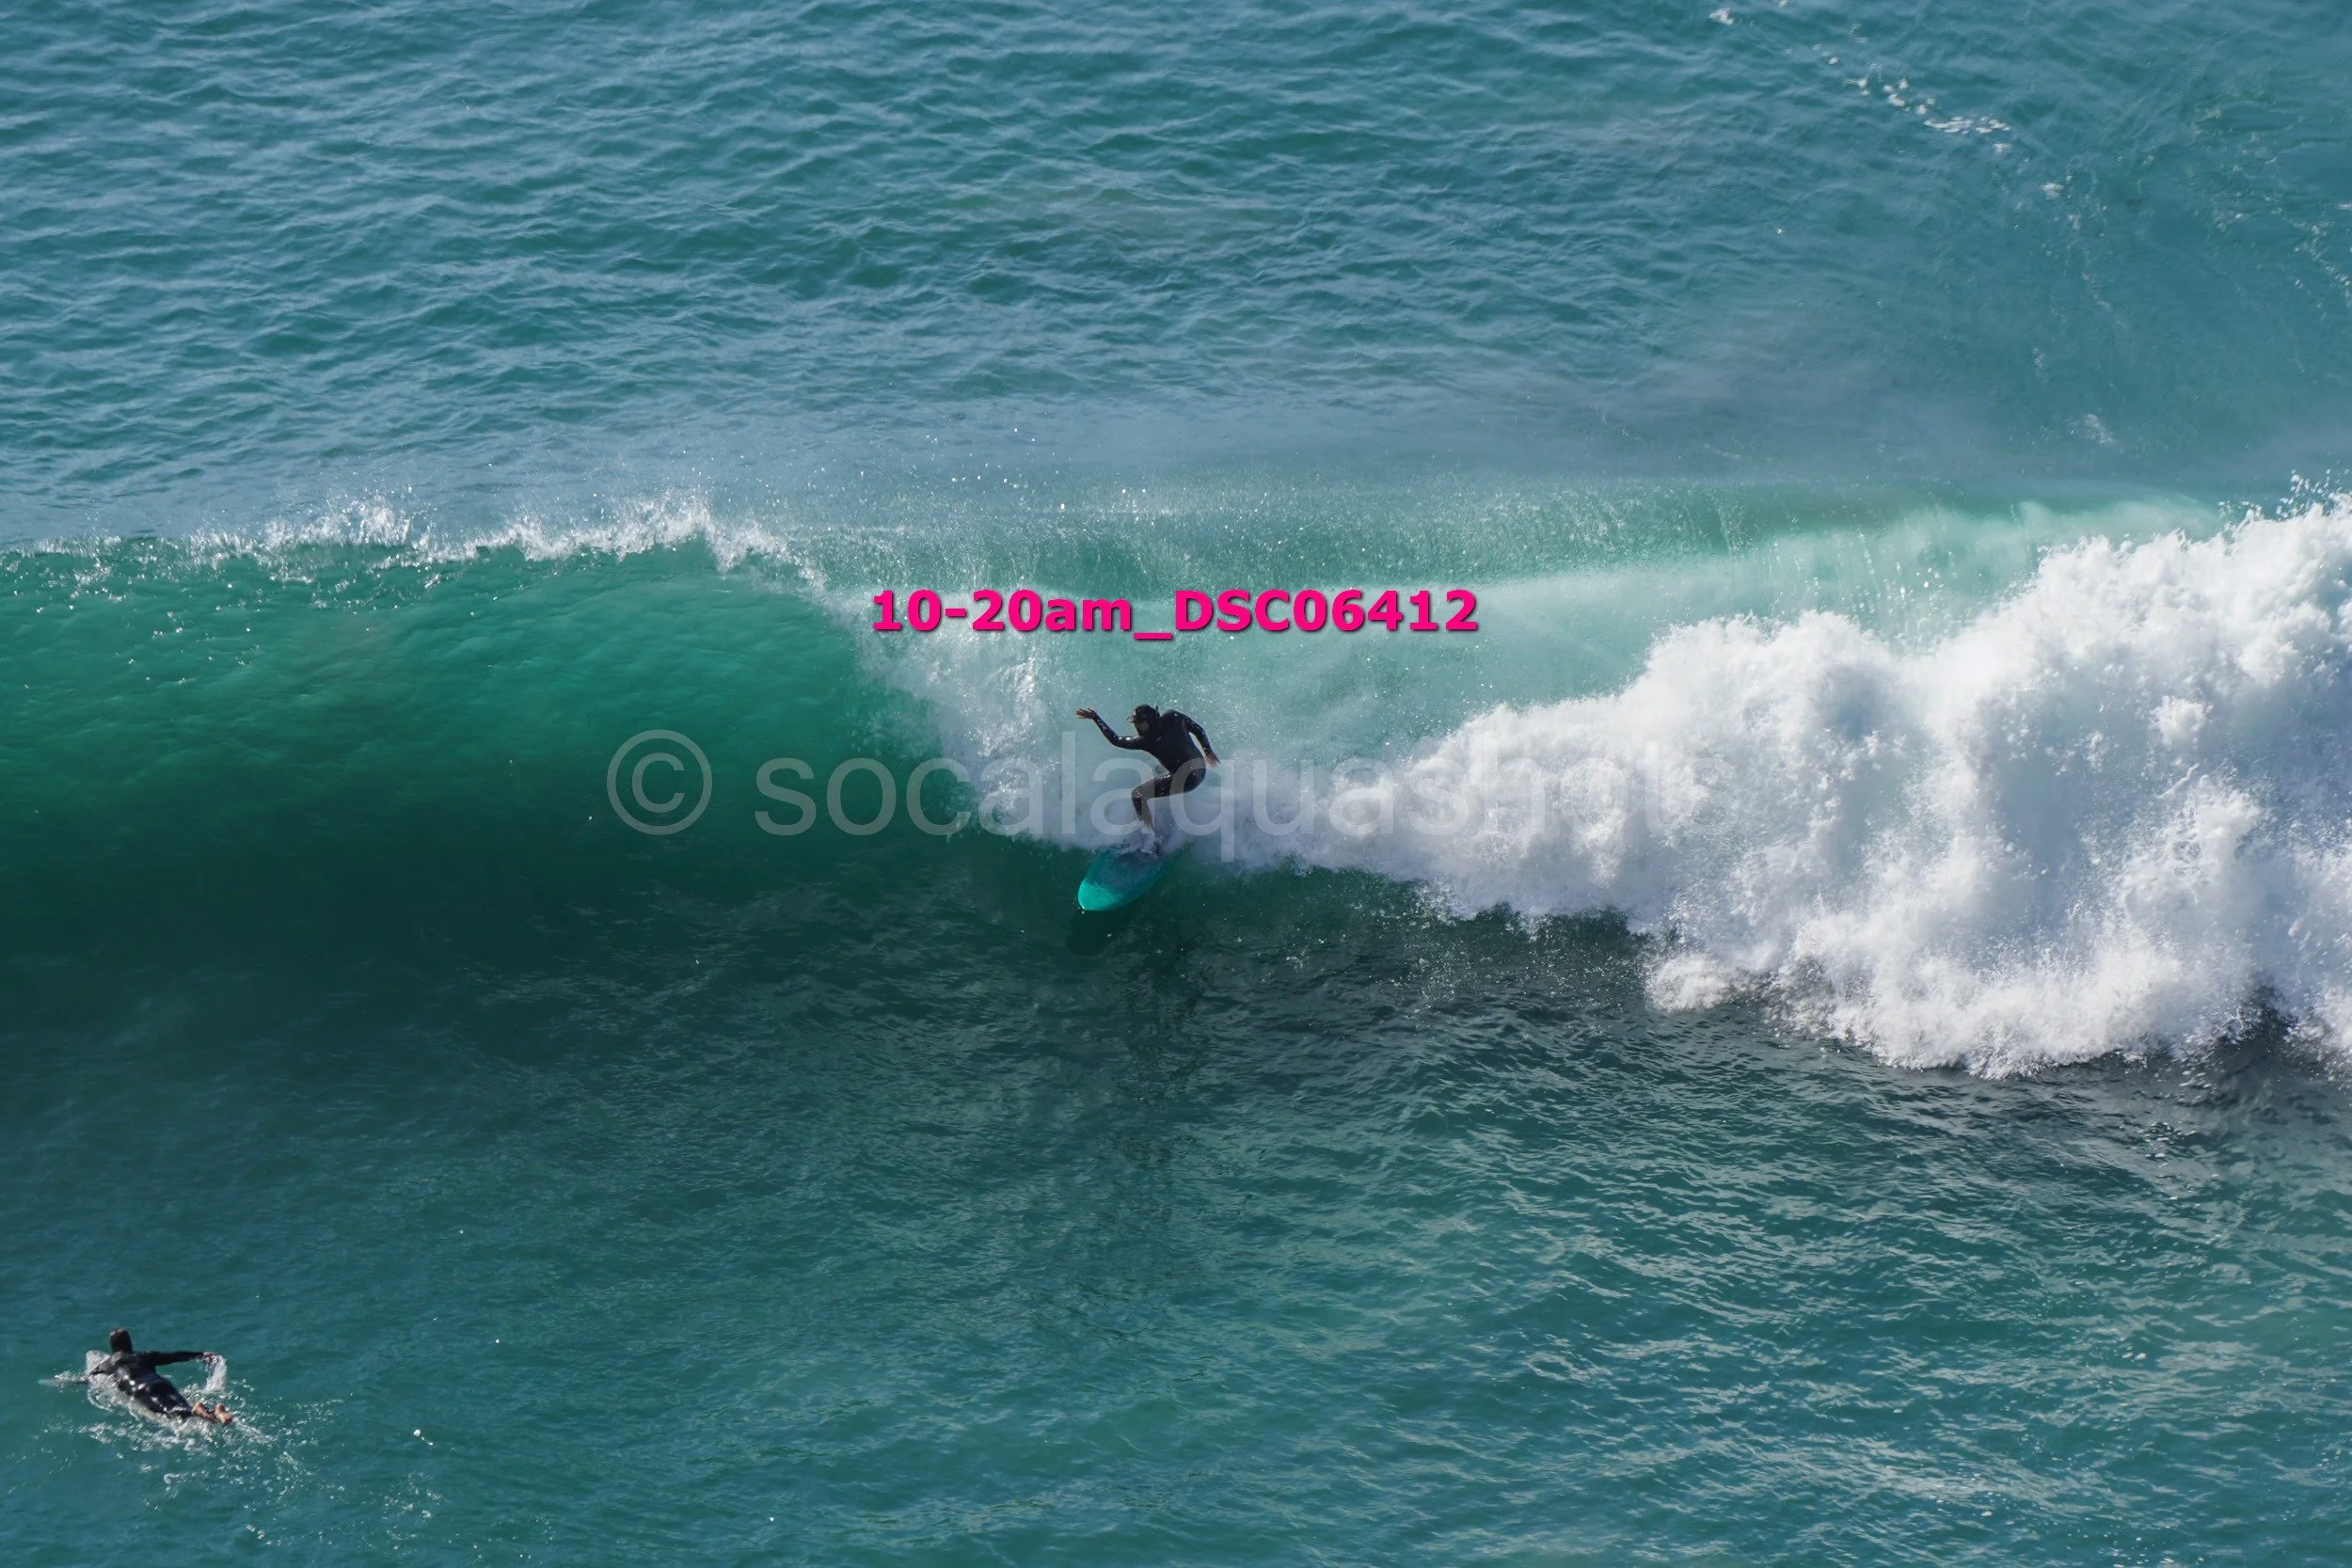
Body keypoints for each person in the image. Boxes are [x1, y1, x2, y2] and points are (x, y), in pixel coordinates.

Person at [1076, 704, 1220, 828]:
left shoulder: (1146, 740)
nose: (1136, 726)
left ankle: (1149, 837)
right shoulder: (1173, 717)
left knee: (1137, 795)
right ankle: (1168, 811)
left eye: (1138, 723)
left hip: (1187, 781)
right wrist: (1208, 751)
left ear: (1147, 721)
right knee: (1155, 771)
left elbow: (1115, 740)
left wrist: (1096, 718)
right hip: (1200, 769)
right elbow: (1198, 729)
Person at [76, 1328, 232, 1424]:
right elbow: (174, 1356)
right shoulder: (144, 1355)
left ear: (112, 1347)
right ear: (130, 1344)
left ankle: (198, 1410)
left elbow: (88, 1380)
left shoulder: (107, 1364)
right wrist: (201, 1355)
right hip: (162, 1383)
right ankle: (216, 1412)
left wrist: (68, 1382)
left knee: (171, 1414)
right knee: (184, 1409)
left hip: (142, 1390)